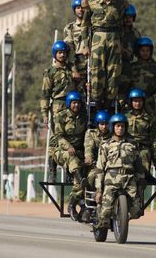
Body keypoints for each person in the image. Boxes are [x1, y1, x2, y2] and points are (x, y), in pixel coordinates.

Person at [81, 0, 125, 110]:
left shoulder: (119, 4)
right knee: (96, 70)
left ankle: (109, 101)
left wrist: (122, 43)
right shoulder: (92, 3)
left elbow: (123, 24)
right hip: (98, 38)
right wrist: (85, 44)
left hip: (114, 38)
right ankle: (97, 101)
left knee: (114, 70)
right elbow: (85, 24)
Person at [94, 113, 145, 228]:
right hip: (111, 179)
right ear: (113, 127)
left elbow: (138, 164)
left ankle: (121, 216)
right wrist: (98, 190)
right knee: (105, 213)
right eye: (117, 126)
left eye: (122, 126)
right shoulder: (106, 145)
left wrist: (141, 181)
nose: (120, 129)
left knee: (137, 212)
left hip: (129, 178)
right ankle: (99, 212)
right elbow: (100, 168)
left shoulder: (132, 144)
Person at [40, 40, 75, 182]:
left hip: (71, 106)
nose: (62, 55)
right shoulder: (50, 72)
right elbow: (45, 94)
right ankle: (52, 170)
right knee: (56, 138)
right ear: (55, 54)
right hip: (57, 106)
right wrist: (44, 114)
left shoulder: (71, 70)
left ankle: (68, 171)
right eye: (59, 53)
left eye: (64, 53)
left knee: (70, 137)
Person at [53, 91, 87, 221]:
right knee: (72, 158)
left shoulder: (84, 116)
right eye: (73, 103)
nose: (76, 105)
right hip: (61, 151)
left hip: (78, 153)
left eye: (78, 103)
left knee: (84, 174)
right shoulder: (61, 116)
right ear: (69, 104)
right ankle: (79, 177)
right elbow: (58, 137)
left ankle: (73, 205)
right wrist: (68, 147)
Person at [131, 36, 156, 128]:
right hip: (132, 104)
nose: (145, 53)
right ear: (137, 51)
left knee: (150, 129)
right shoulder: (131, 68)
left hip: (149, 104)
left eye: (148, 50)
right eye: (142, 50)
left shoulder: (155, 69)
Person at [125, 88, 156, 176]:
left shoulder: (149, 118)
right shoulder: (124, 116)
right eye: (135, 101)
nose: (137, 103)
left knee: (143, 174)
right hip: (127, 148)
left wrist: (155, 159)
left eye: (140, 101)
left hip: (143, 149)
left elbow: (154, 139)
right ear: (131, 101)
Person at [63, 0, 88, 97]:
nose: (80, 9)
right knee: (79, 95)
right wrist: (74, 70)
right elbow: (70, 50)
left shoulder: (93, 26)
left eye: (82, 7)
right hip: (78, 63)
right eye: (78, 7)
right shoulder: (70, 28)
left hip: (93, 65)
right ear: (74, 10)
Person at [119, 4, 141, 106]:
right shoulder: (116, 31)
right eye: (126, 17)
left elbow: (140, 53)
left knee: (124, 91)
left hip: (127, 64)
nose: (128, 19)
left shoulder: (136, 34)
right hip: (113, 63)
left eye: (130, 17)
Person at [84, 110, 111, 190]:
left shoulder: (113, 135)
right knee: (92, 177)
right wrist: (89, 158)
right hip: (96, 165)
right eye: (102, 124)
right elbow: (89, 147)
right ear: (97, 124)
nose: (104, 127)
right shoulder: (91, 133)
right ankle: (90, 200)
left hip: (110, 166)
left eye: (106, 124)